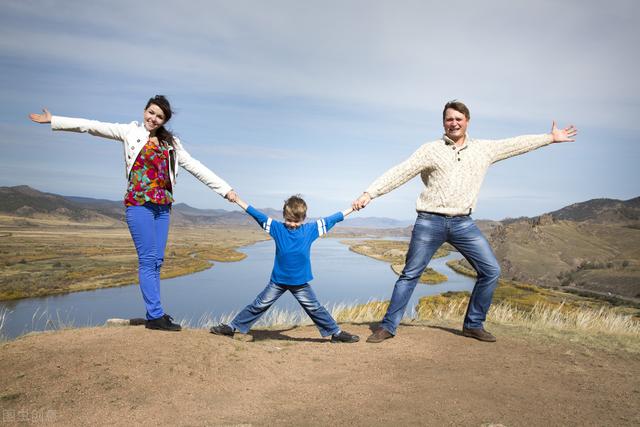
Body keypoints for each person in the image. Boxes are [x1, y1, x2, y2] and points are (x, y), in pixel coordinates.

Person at [352, 100, 577, 343]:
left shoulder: (483, 149)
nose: (454, 123)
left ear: (467, 122)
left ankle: (473, 325)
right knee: (410, 274)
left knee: (491, 270)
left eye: (459, 119)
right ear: (443, 123)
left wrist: (549, 138)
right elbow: (401, 171)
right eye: (449, 119)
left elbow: (515, 144)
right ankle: (387, 327)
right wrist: (370, 193)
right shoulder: (430, 149)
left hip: (463, 223)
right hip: (430, 221)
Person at [29, 95, 238, 331]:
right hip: (139, 204)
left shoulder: (172, 144)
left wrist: (225, 189)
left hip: (163, 207)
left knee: (158, 261)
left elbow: (197, 167)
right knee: (148, 259)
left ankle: (155, 313)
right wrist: (54, 120)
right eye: (151, 112)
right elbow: (91, 126)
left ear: (164, 120)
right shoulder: (129, 132)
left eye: (159, 116)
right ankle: (155, 315)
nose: (153, 118)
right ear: (144, 111)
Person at [210, 195, 360, 343]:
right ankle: (232, 327)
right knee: (259, 304)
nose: (292, 224)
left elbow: (332, 218)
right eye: (289, 220)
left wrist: (352, 209)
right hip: (278, 280)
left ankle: (336, 333)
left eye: (296, 221)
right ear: (284, 216)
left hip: (300, 282)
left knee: (315, 308)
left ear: (303, 218)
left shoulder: (310, 230)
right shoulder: (277, 228)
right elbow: (257, 215)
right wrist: (237, 200)